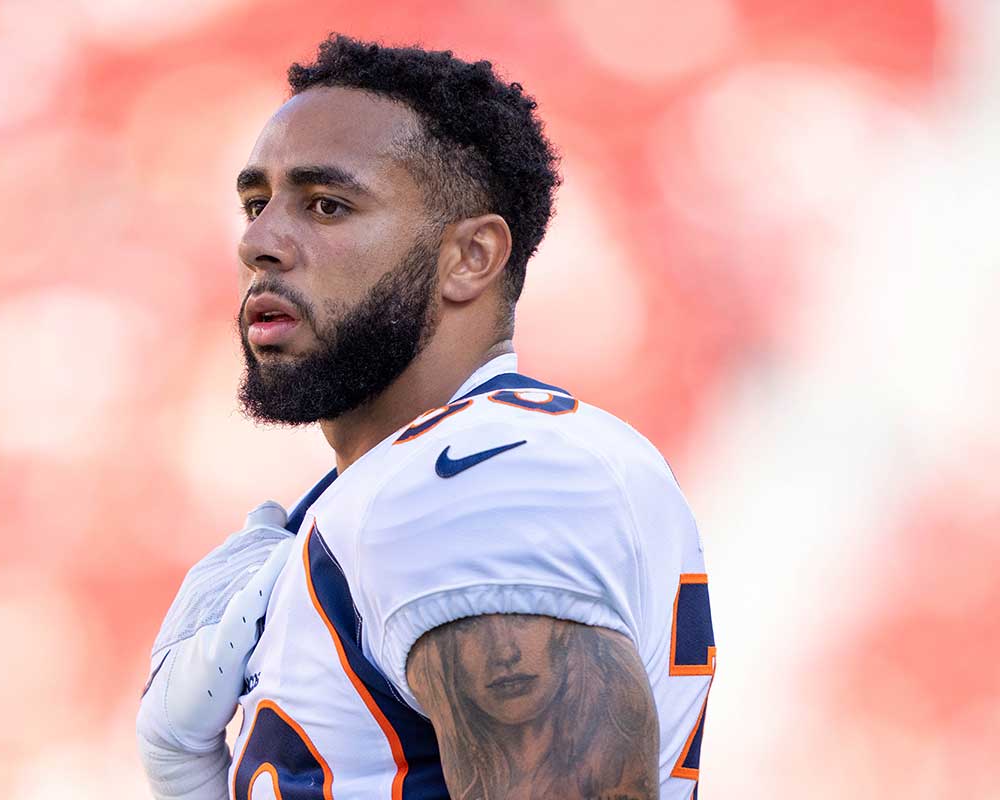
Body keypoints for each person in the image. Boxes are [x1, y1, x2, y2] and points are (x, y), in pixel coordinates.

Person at [136, 34, 715, 800]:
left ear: (471, 257)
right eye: (255, 203)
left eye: (326, 205)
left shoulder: (472, 473)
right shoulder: (389, 486)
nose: (259, 243)